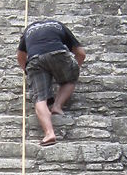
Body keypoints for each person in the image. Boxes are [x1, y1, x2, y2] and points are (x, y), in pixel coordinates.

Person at [16, 18, 85, 146]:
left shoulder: (28, 30)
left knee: (39, 99)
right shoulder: (59, 25)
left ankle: (49, 134)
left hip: (34, 59)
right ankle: (57, 106)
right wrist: (74, 69)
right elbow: (81, 53)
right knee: (69, 80)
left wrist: (28, 72)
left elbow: (20, 56)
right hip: (58, 53)